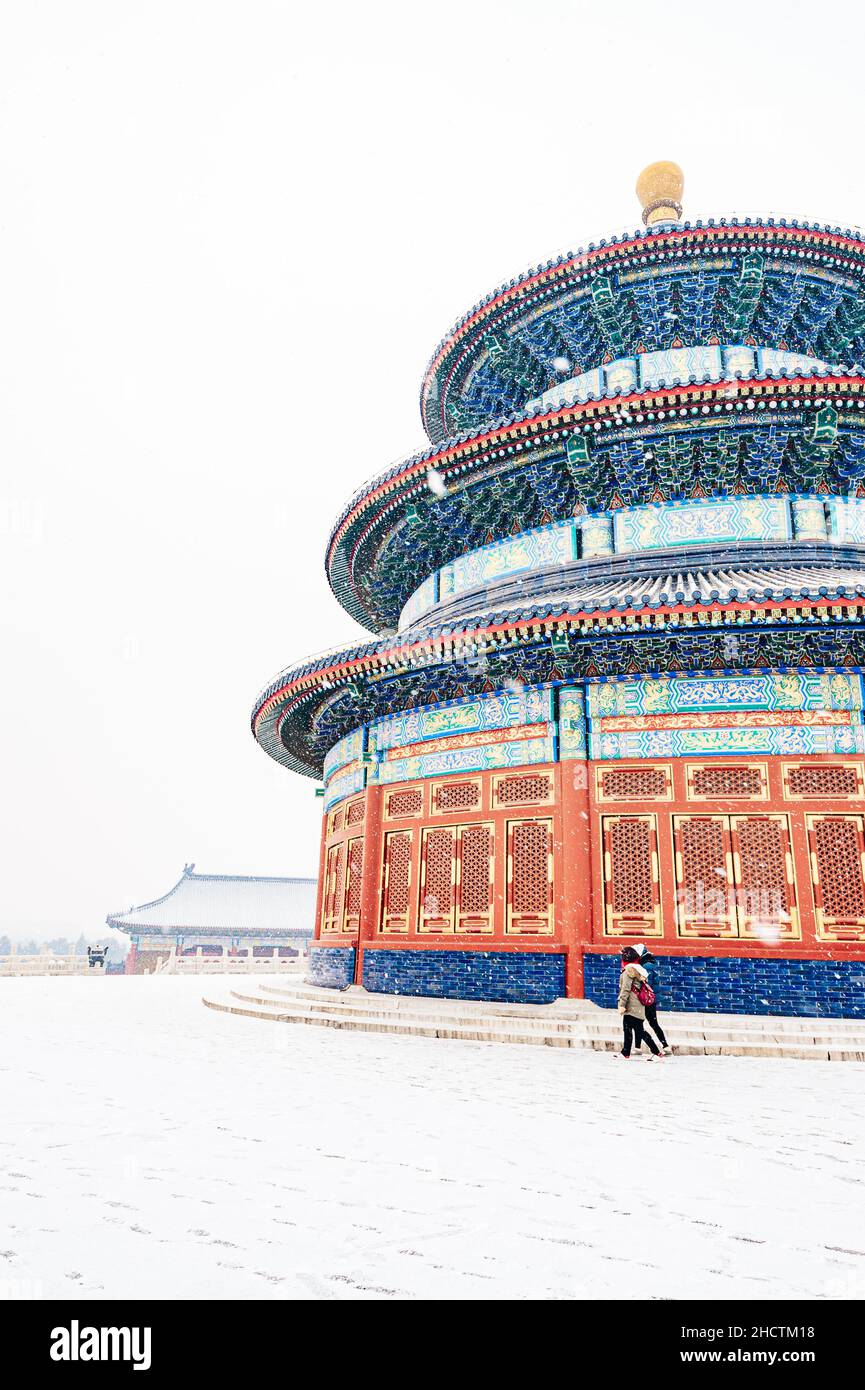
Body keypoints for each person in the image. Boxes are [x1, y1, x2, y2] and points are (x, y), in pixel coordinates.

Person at [615, 946, 662, 1061]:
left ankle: (656, 1053)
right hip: (639, 1005)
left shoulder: (628, 971)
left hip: (631, 1005)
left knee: (635, 1030)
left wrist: (622, 1005)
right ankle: (626, 1052)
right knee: (634, 1029)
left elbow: (625, 989)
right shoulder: (639, 970)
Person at [634, 943, 670, 1056]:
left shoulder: (645, 966)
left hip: (646, 1000)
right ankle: (665, 1045)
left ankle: (639, 1047)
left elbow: (646, 984)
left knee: (640, 1022)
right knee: (651, 1023)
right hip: (650, 999)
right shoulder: (648, 964)